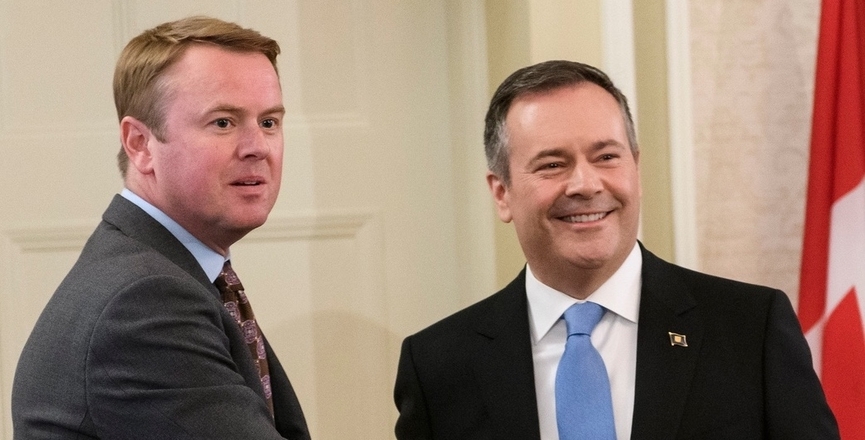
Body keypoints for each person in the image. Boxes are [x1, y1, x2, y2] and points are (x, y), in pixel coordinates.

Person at [393, 60, 839, 439]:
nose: (586, 184)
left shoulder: (749, 330)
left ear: (636, 170)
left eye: (607, 157)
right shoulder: (438, 365)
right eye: (552, 164)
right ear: (502, 193)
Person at [12, 16, 310, 439]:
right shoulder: (145, 304)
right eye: (223, 122)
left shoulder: (161, 272)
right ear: (140, 144)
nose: (257, 147)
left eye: (269, 122)